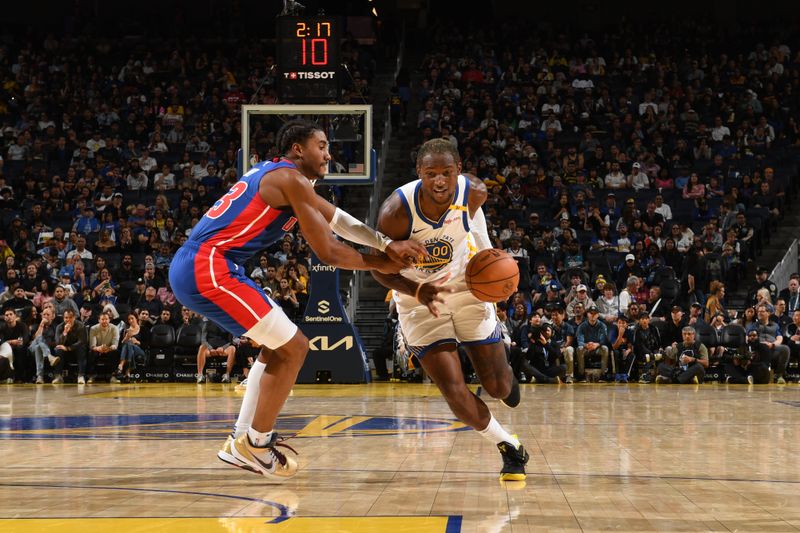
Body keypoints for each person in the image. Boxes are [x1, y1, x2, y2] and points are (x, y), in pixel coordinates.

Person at [168, 120, 425, 481]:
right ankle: (257, 444)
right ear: (298, 149)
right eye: (322, 145)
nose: (329, 153)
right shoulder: (290, 179)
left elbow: (339, 221)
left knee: (276, 347)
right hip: (209, 265)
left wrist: (385, 243)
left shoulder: (284, 178)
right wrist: (385, 260)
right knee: (295, 348)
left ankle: (241, 440)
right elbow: (331, 251)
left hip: (203, 265)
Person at [370, 138, 529, 481]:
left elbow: (476, 225)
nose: (439, 181)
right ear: (419, 174)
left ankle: (506, 381)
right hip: (417, 300)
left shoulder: (474, 192)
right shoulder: (396, 211)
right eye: (431, 174)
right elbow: (376, 270)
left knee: (499, 387)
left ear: (459, 170)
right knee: (454, 390)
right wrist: (416, 289)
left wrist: (490, 267)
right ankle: (509, 447)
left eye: (446, 172)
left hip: (467, 290)